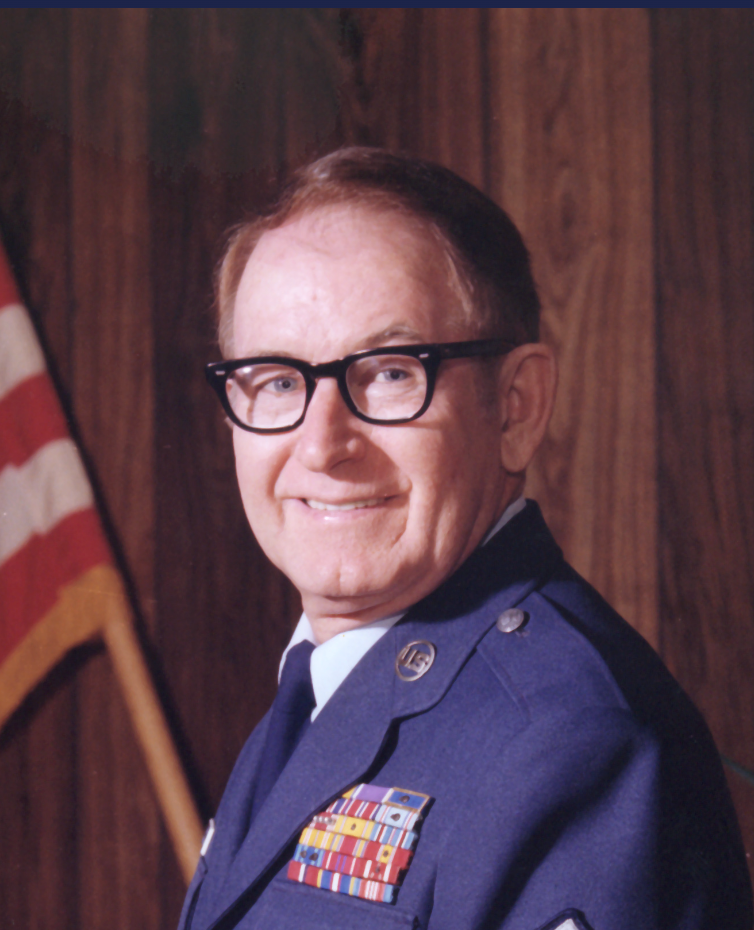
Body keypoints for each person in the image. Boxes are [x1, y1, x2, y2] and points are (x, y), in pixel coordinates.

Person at [178, 148, 752, 930]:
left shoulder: (568, 746)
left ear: (516, 405)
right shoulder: (326, 681)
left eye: (387, 372)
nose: (320, 445)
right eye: (278, 381)